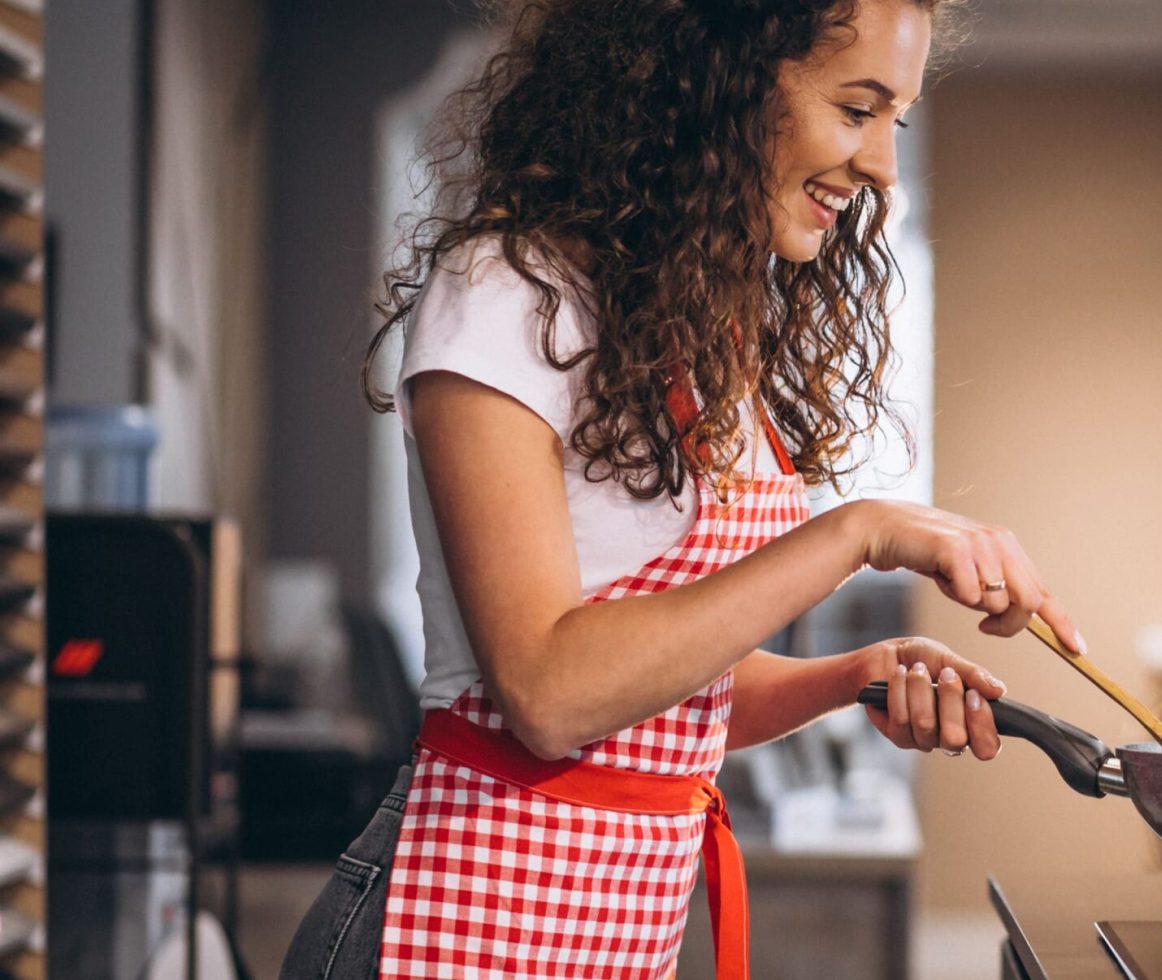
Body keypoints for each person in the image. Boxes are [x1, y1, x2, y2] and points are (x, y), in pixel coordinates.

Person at [280, 1, 1078, 976]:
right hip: (450, 924)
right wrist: (855, 532)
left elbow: (661, 695)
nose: (880, 166)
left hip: (608, 936)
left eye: (894, 120)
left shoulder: (700, 338)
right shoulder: (507, 293)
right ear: (717, 80)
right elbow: (549, 692)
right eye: (856, 108)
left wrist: (853, 672)